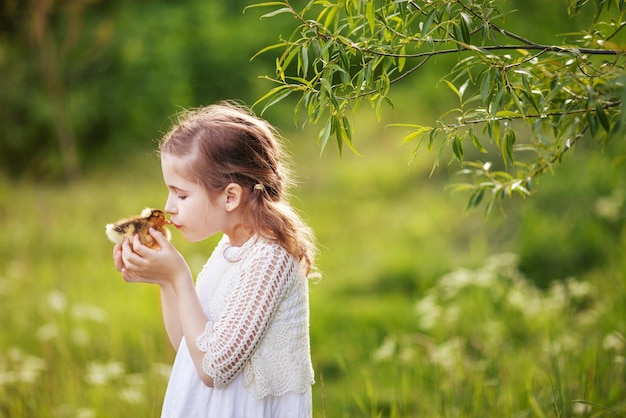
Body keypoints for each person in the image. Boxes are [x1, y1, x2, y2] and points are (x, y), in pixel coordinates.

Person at [112, 101, 318, 417]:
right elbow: (190, 347)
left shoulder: (270, 258)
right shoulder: (230, 246)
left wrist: (180, 276)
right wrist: (166, 280)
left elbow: (214, 368)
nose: (169, 206)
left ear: (230, 197)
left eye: (181, 194)